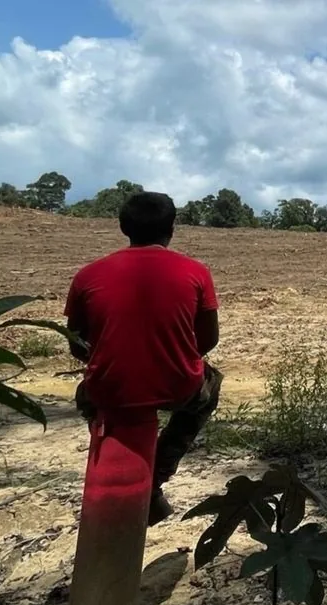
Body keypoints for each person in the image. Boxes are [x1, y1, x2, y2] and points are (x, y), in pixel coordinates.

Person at [64, 191, 223, 526]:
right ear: (171, 228)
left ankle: (108, 452)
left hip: (109, 391)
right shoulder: (195, 271)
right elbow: (209, 339)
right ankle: (155, 479)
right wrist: (173, 356)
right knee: (210, 388)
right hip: (178, 386)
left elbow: (77, 345)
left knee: (85, 394)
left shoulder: (87, 276)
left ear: (123, 228)